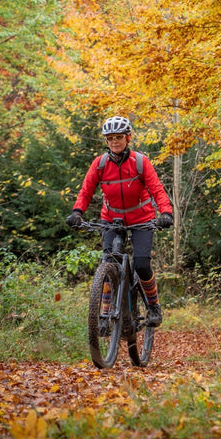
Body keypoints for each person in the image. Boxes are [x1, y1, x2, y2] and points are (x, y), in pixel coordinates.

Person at [67, 115, 173, 328]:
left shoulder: (140, 162)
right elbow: (86, 191)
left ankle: (153, 307)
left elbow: (157, 189)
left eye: (118, 137)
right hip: (111, 219)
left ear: (128, 138)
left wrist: (166, 213)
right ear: (106, 141)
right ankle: (105, 316)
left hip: (142, 219)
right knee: (110, 264)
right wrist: (77, 212)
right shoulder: (100, 164)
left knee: (142, 264)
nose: (114, 141)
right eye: (110, 138)